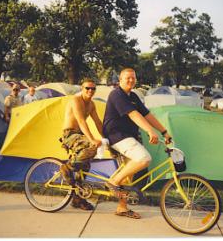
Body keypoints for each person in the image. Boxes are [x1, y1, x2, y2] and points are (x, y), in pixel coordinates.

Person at [103, 68, 172, 219]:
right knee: (144, 159)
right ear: (120, 80)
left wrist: (164, 131)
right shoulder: (117, 94)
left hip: (129, 136)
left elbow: (147, 115)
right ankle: (113, 181)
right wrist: (149, 131)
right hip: (117, 135)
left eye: (133, 78)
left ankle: (122, 208)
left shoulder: (133, 96)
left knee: (129, 174)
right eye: (127, 78)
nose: (131, 80)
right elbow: (133, 114)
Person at [60, 78, 103, 211]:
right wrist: (91, 139)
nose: (90, 90)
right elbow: (81, 121)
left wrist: (107, 138)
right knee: (92, 147)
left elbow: (97, 122)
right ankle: (67, 167)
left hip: (79, 135)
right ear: (82, 89)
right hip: (69, 134)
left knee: (84, 167)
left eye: (93, 88)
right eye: (87, 88)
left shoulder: (91, 104)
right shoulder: (75, 100)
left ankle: (78, 199)